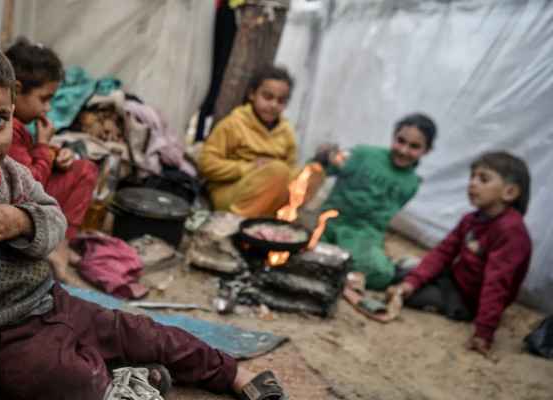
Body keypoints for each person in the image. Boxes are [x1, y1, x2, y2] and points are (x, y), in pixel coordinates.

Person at [0, 38, 285, 400]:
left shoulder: (11, 173)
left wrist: (24, 221)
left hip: (48, 302)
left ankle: (231, 373)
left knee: (142, 332)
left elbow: (53, 222)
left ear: (12, 117)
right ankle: (121, 380)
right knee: (70, 380)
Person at [388, 152, 532, 357]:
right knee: (402, 277)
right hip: (453, 279)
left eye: (483, 179)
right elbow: (443, 253)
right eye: (472, 177)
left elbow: (496, 284)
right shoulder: (471, 219)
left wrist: (484, 331)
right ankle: (411, 279)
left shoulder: (511, 232)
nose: (472, 183)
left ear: (509, 192)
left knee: (413, 297)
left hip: (468, 299)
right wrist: (411, 282)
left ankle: (446, 304)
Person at [5, 38, 98, 278]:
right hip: (17, 204)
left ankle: (61, 242)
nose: (47, 108)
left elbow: (27, 160)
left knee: (82, 167)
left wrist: (55, 155)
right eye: (44, 98)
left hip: (24, 195)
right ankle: (59, 245)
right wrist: (45, 146)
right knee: (85, 171)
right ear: (16, 90)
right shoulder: (9, 127)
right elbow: (28, 183)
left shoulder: (18, 125)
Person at [317, 113, 437, 290]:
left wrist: (373, 243)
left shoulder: (411, 183)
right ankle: (347, 272)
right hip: (331, 224)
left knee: (381, 275)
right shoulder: (362, 154)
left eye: (414, 146)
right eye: (400, 141)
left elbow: (383, 219)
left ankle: (368, 265)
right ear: (393, 137)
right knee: (309, 252)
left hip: (363, 236)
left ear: (427, 151)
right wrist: (323, 156)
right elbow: (321, 169)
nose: (404, 150)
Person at [198, 65, 297, 218]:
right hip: (230, 191)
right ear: (252, 94)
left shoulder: (286, 132)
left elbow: (291, 170)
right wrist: (249, 168)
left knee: (312, 174)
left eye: (281, 101)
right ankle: (236, 224)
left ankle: (267, 221)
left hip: (270, 193)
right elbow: (206, 164)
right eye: (268, 97)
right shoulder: (233, 124)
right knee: (278, 170)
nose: (273, 105)